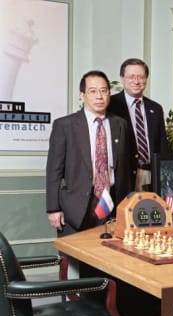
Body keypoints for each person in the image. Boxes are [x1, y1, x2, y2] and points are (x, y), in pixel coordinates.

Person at [46, 70, 133, 236]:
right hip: (76, 206)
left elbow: (126, 169)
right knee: (75, 258)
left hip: (112, 201)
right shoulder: (65, 126)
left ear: (109, 94)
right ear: (82, 95)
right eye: (92, 91)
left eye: (103, 91)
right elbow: (54, 171)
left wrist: (127, 206)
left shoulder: (120, 124)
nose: (99, 96)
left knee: (110, 256)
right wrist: (53, 208)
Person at [108, 58, 169, 191]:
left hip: (149, 174)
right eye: (131, 77)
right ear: (122, 78)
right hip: (122, 176)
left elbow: (162, 146)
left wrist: (164, 178)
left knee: (149, 210)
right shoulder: (110, 105)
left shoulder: (155, 108)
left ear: (146, 79)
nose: (136, 81)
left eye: (141, 77)